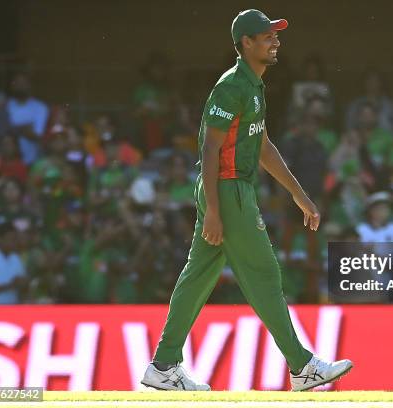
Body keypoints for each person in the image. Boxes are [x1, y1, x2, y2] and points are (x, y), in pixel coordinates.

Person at [142, 9, 352, 392]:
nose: (275, 41)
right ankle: (302, 366)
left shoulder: (254, 85)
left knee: (198, 276)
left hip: (231, 188)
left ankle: (163, 366)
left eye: (275, 35)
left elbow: (264, 146)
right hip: (228, 187)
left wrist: (299, 195)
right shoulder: (232, 86)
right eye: (267, 35)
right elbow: (209, 148)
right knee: (265, 275)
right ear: (246, 44)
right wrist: (216, 212)